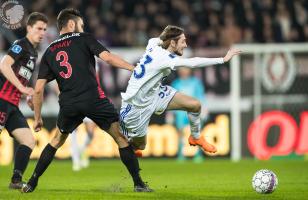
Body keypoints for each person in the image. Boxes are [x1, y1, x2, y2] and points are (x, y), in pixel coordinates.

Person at [21, 8, 152, 193]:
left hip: (69, 104)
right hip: (93, 99)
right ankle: (138, 183)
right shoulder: (83, 38)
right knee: (121, 138)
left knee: (56, 140)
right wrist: (134, 68)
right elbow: (108, 58)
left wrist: (37, 118)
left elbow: (39, 89)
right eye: (81, 24)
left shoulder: (49, 51)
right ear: (72, 24)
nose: (82, 28)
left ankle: (32, 182)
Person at [119, 25, 241, 155]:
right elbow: (193, 62)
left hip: (154, 93)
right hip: (137, 105)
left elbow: (161, 36)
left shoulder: (153, 44)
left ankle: (195, 137)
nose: (186, 45)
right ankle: (130, 147)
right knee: (140, 146)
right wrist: (222, 59)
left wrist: (168, 33)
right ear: (172, 43)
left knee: (194, 105)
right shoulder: (165, 58)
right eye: (183, 41)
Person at [0, 12, 48, 189]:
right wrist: (21, 89)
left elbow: (22, 79)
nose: (42, 33)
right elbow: (4, 65)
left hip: (12, 105)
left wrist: (27, 95)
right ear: (29, 28)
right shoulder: (20, 45)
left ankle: (16, 180)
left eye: (44, 29)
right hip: (1, 100)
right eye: (38, 29)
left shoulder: (34, 53)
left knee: (28, 141)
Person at [170, 67, 207, 162]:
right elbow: (171, 99)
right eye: (182, 68)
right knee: (180, 133)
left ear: (190, 70)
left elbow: (201, 96)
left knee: (197, 133)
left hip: (194, 111)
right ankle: (180, 155)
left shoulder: (196, 82)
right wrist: (170, 113)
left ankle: (198, 154)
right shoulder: (176, 83)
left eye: (185, 68)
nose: (184, 71)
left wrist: (203, 110)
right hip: (180, 112)